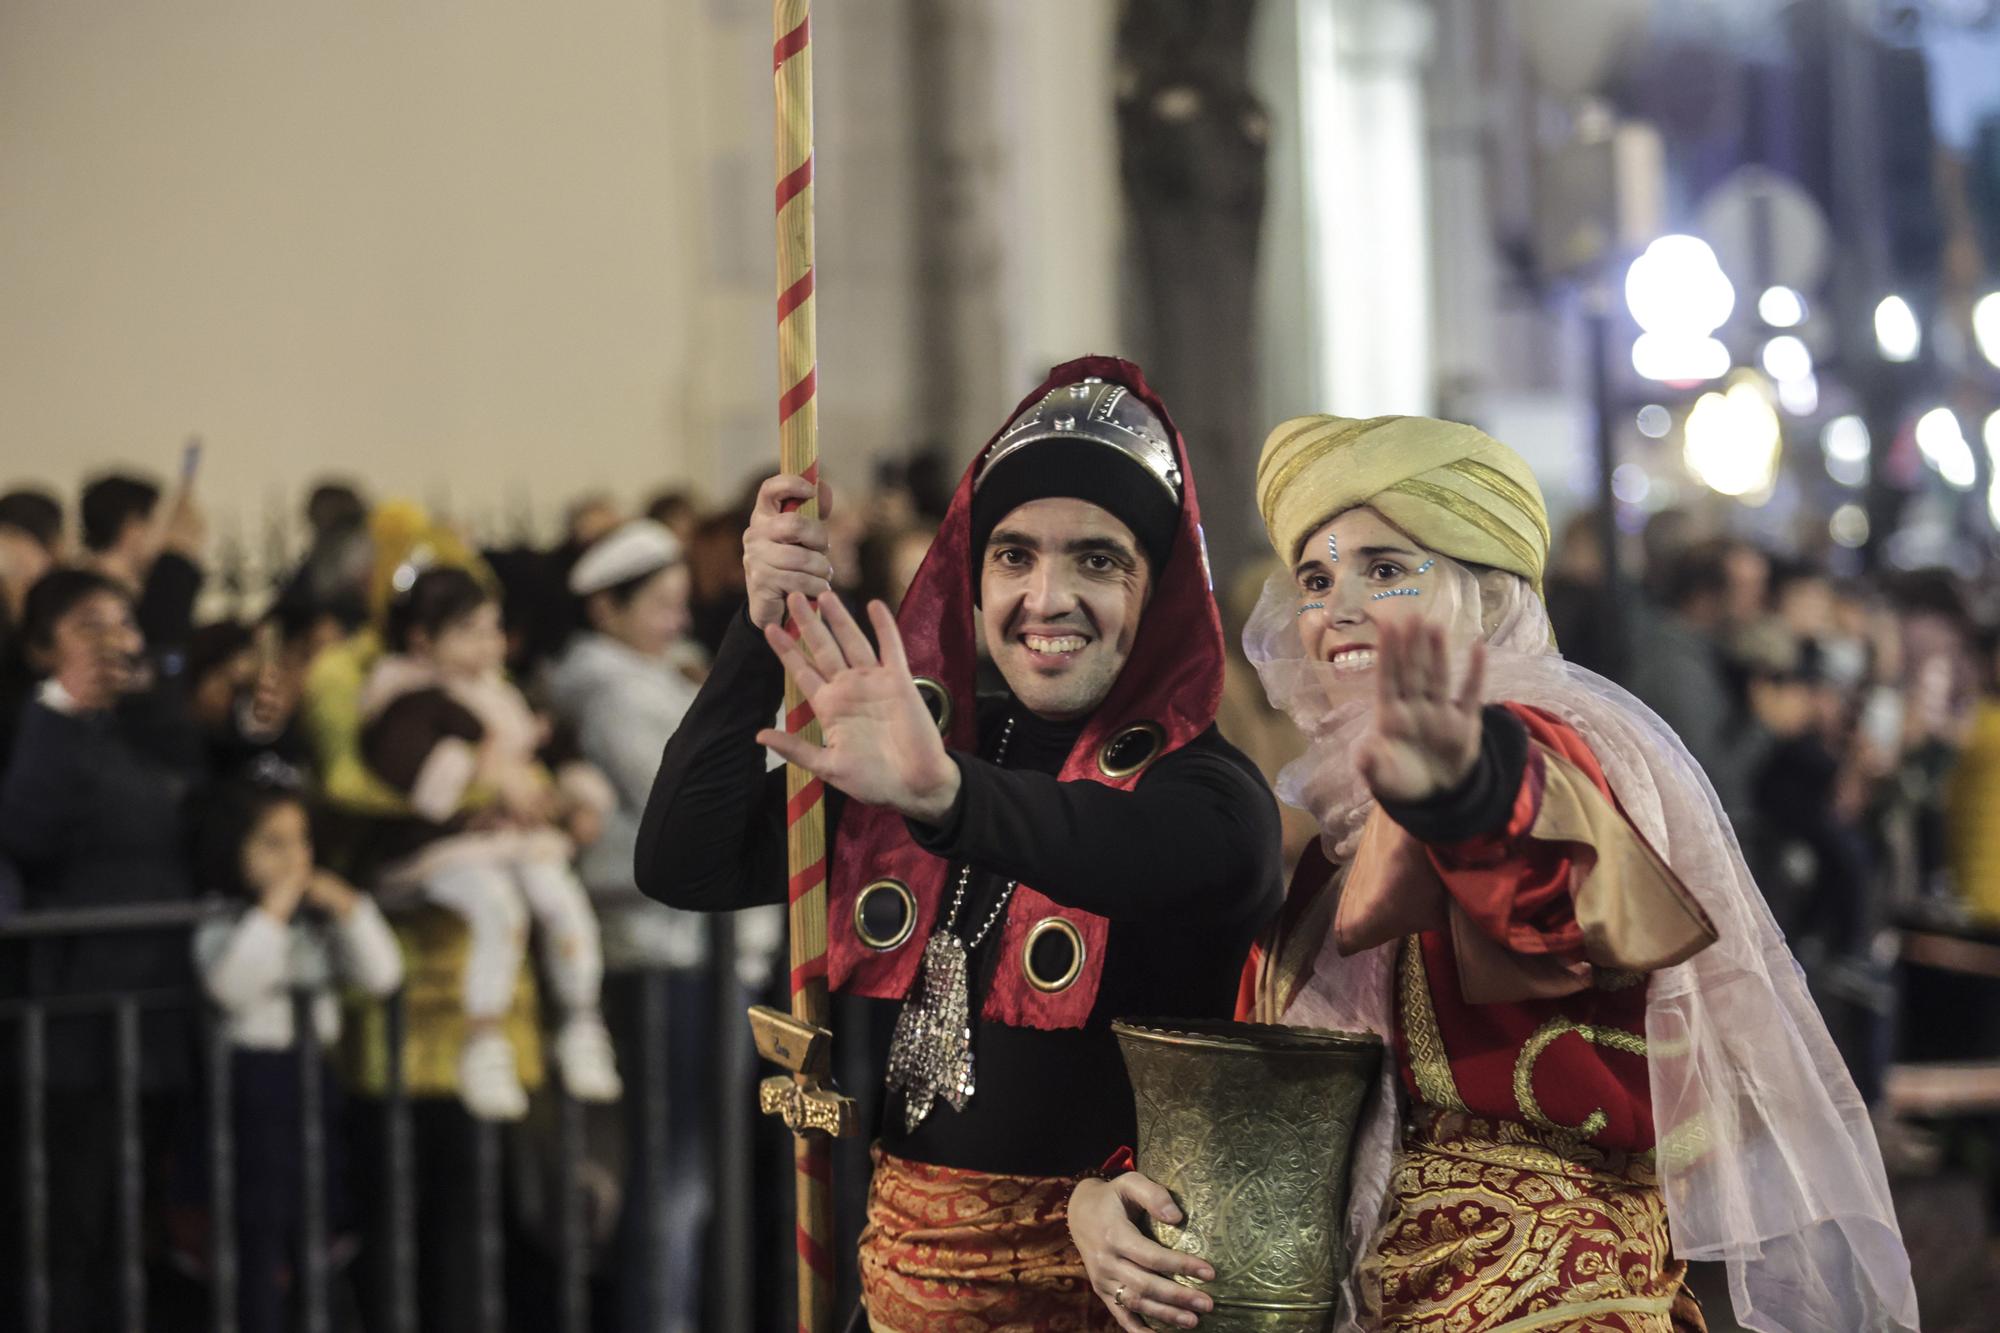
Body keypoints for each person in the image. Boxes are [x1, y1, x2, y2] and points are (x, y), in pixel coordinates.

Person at [1070, 413, 1917, 1333]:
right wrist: (1108, 1195)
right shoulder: (1333, 849)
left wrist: (1460, 793)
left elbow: (1548, 878)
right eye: (1314, 578)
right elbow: (1256, 1109)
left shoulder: (1555, 745)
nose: (1336, 606)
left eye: (1387, 569)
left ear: (1487, 596)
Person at [638, 357, 1284, 1331]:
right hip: (900, 1287)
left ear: (1159, 588)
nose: (1046, 596)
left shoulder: (1204, 787)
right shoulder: (934, 745)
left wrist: (938, 790)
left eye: (1096, 560)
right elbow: (683, 858)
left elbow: (1117, 846)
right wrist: (755, 623)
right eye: (1012, 556)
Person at [0, 568, 205, 1330]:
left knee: (132, 1224)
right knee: (67, 1230)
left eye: (125, 623)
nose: (117, 639)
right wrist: (59, 709)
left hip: (151, 1017)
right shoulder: (41, 729)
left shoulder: (143, 730)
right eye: (91, 625)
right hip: (74, 1027)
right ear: (38, 648)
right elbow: (25, 828)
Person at [358, 567, 620, 1120]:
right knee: (498, 910)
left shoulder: (501, 693)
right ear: (421, 639)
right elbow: (417, 776)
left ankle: (581, 1020)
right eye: (468, 631)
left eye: (491, 629)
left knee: (561, 902)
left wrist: (573, 796)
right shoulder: (407, 696)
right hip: (440, 849)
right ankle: (482, 1041)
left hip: (512, 841)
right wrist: (493, 784)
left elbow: (550, 755)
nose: (488, 644)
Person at [188, 770, 403, 1333]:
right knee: (259, 1229)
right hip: (255, 1086)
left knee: (320, 1228)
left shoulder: (317, 921)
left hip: (315, 1079)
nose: (294, 858)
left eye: (301, 842)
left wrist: (350, 908)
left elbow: (383, 975)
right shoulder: (224, 919)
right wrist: (274, 911)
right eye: (273, 844)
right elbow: (232, 987)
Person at [80, 469, 208, 674]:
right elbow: (158, 656)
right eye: (160, 524)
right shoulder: (89, 593)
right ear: (133, 526)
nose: (166, 534)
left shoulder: (142, 588)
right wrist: (178, 560)